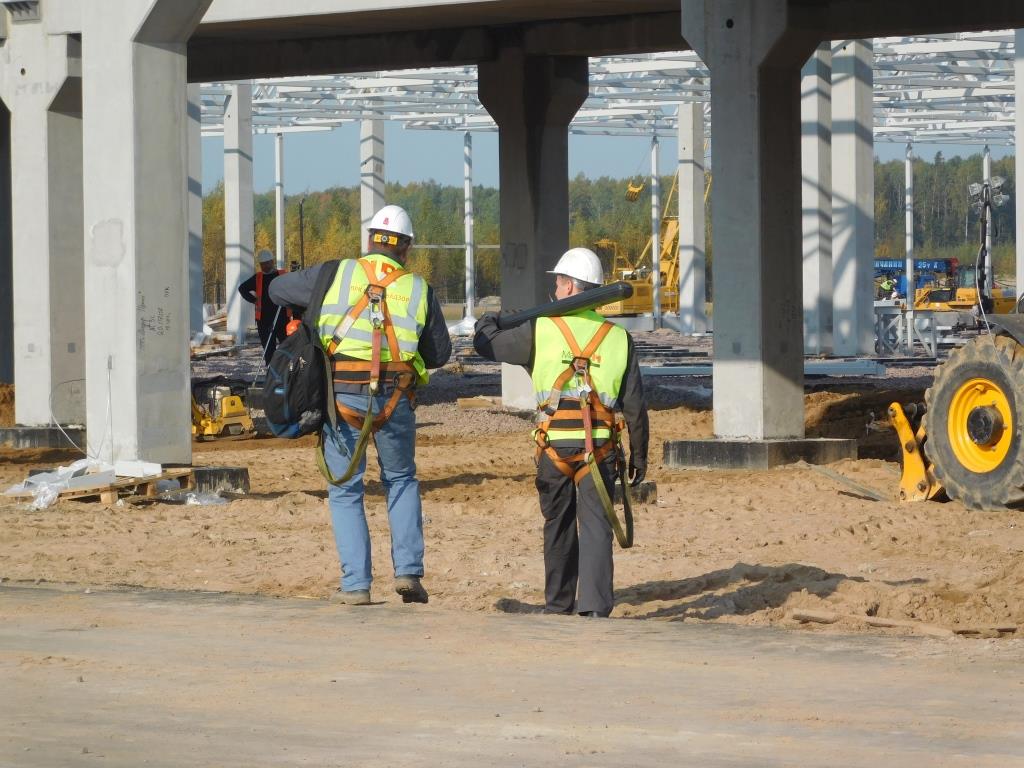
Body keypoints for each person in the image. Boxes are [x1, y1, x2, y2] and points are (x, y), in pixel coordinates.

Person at [269, 205, 452, 605]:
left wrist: (314, 302)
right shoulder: (419, 288)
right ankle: (407, 572)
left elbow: (276, 291)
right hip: (396, 398)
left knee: (346, 489)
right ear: (405, 249)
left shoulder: (336, 273)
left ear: (369, 241)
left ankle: (356, 586)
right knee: (401, 480)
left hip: (342, 400)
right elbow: (439, 353)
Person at [473, 247, 649, 618]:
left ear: (571, 287)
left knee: (558, 525)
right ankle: (595, 608)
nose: (554, 288)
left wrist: (488, 322)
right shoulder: (618, 339)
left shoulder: (539, 329)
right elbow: (634, 405)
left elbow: (484, 345)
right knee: (598, 527)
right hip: (599, 450)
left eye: (558, 281)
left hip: (553, 448)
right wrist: (640, 455)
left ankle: (558, 605)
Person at [239, 249, 289, 363]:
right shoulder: (258, 278)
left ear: (272, 261)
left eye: (267, 263)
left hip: (282, 319)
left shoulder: (283, 275)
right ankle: (271, 372)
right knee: (268, 350)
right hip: (264, 320)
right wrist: (254, 300)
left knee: (286, 347)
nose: (265, 266)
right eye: (262, 264)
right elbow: (242, 288)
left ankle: (287, 371)